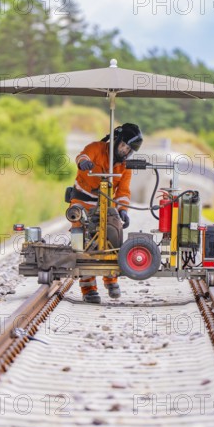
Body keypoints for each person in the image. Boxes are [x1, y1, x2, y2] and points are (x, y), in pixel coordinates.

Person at [69, 123, 143, 304]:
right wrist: (83, 163)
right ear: (117, 140)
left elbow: (123, 192)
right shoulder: (96, 148)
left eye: (128, 149)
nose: (124, 150)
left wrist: (123, 211)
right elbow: (82, 156)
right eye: (123, 145)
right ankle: (88, 288)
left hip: (106, 204)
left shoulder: (126, 167)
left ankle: (111, 280)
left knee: (113, 234)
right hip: (82, 201)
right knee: (81, 240)